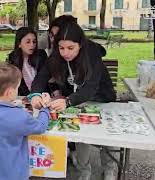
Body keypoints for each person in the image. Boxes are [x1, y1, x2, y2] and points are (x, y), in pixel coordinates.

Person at [31, 19, 117, 180]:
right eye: (61, 48)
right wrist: (35, 94)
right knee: (81, 134)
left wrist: (68, 101)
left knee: (107, 134)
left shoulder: (92, 54)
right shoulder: (57, 56)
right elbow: (40, 78)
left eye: (71, 48)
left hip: (101, 98)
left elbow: (91, 87)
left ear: (80, 45)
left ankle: (109, 168)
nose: (66, 53)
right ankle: (85, 171)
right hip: (76, 100)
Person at [0, 62, 51, 180]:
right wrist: (45, 109)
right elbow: (40, 127)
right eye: (17, 87)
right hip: (13, 173)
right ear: (10, 92)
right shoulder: (19, 116)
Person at [6, 27, 47, 96]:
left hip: (42, 95)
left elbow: (44, 78)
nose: (32, 45)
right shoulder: (12, 58)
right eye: (28, 42)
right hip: (22, 97)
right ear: (19, 44)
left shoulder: (41, 55)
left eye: (34, 42)